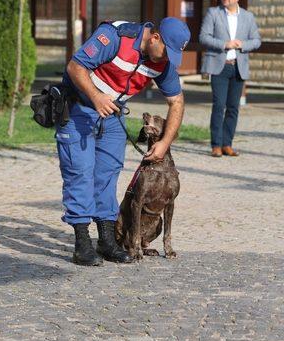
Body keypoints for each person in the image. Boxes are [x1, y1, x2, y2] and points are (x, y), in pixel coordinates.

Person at [57, 17, 189, 266]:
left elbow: (177, 101)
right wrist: (96, 98)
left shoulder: (162, 62)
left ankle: (106, 240)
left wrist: (164, 142)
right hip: (79, 109)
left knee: (108, 174)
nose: (166, 60)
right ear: (155, 37)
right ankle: (82, 243)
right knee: (80, 173)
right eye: (166, 52)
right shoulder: (116, 37)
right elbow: (75, 67)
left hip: (113, 114)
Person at [199, 0, 261, 158]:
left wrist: (244, 44)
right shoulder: (213, 13)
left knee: (233, 107)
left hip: (238, 68)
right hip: (219, 66)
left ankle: (227, 144)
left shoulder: (248, 17)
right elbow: (203, 37)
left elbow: (257, 40)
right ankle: (216, 145)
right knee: (219, 106)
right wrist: (224, 44)